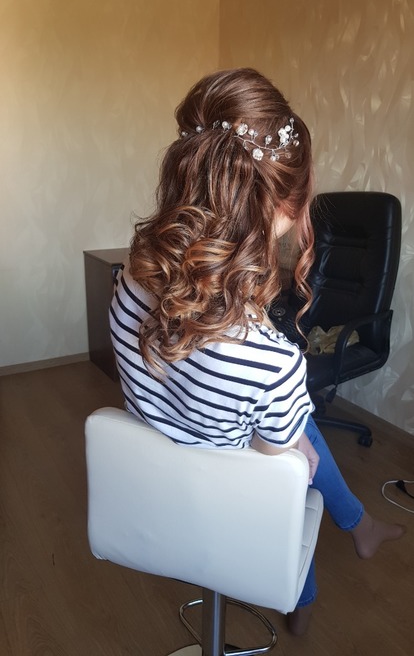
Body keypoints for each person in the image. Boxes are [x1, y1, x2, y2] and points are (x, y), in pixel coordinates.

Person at [109, 68, 405, 636]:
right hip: (222, 512)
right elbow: (282, 482)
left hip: (148, 489)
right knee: (298, 445)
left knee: (289, 420)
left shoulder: (129, 281)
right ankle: (305, 592)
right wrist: (297, 445)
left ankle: (359, 525)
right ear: (287, 207)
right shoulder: (269, 360)